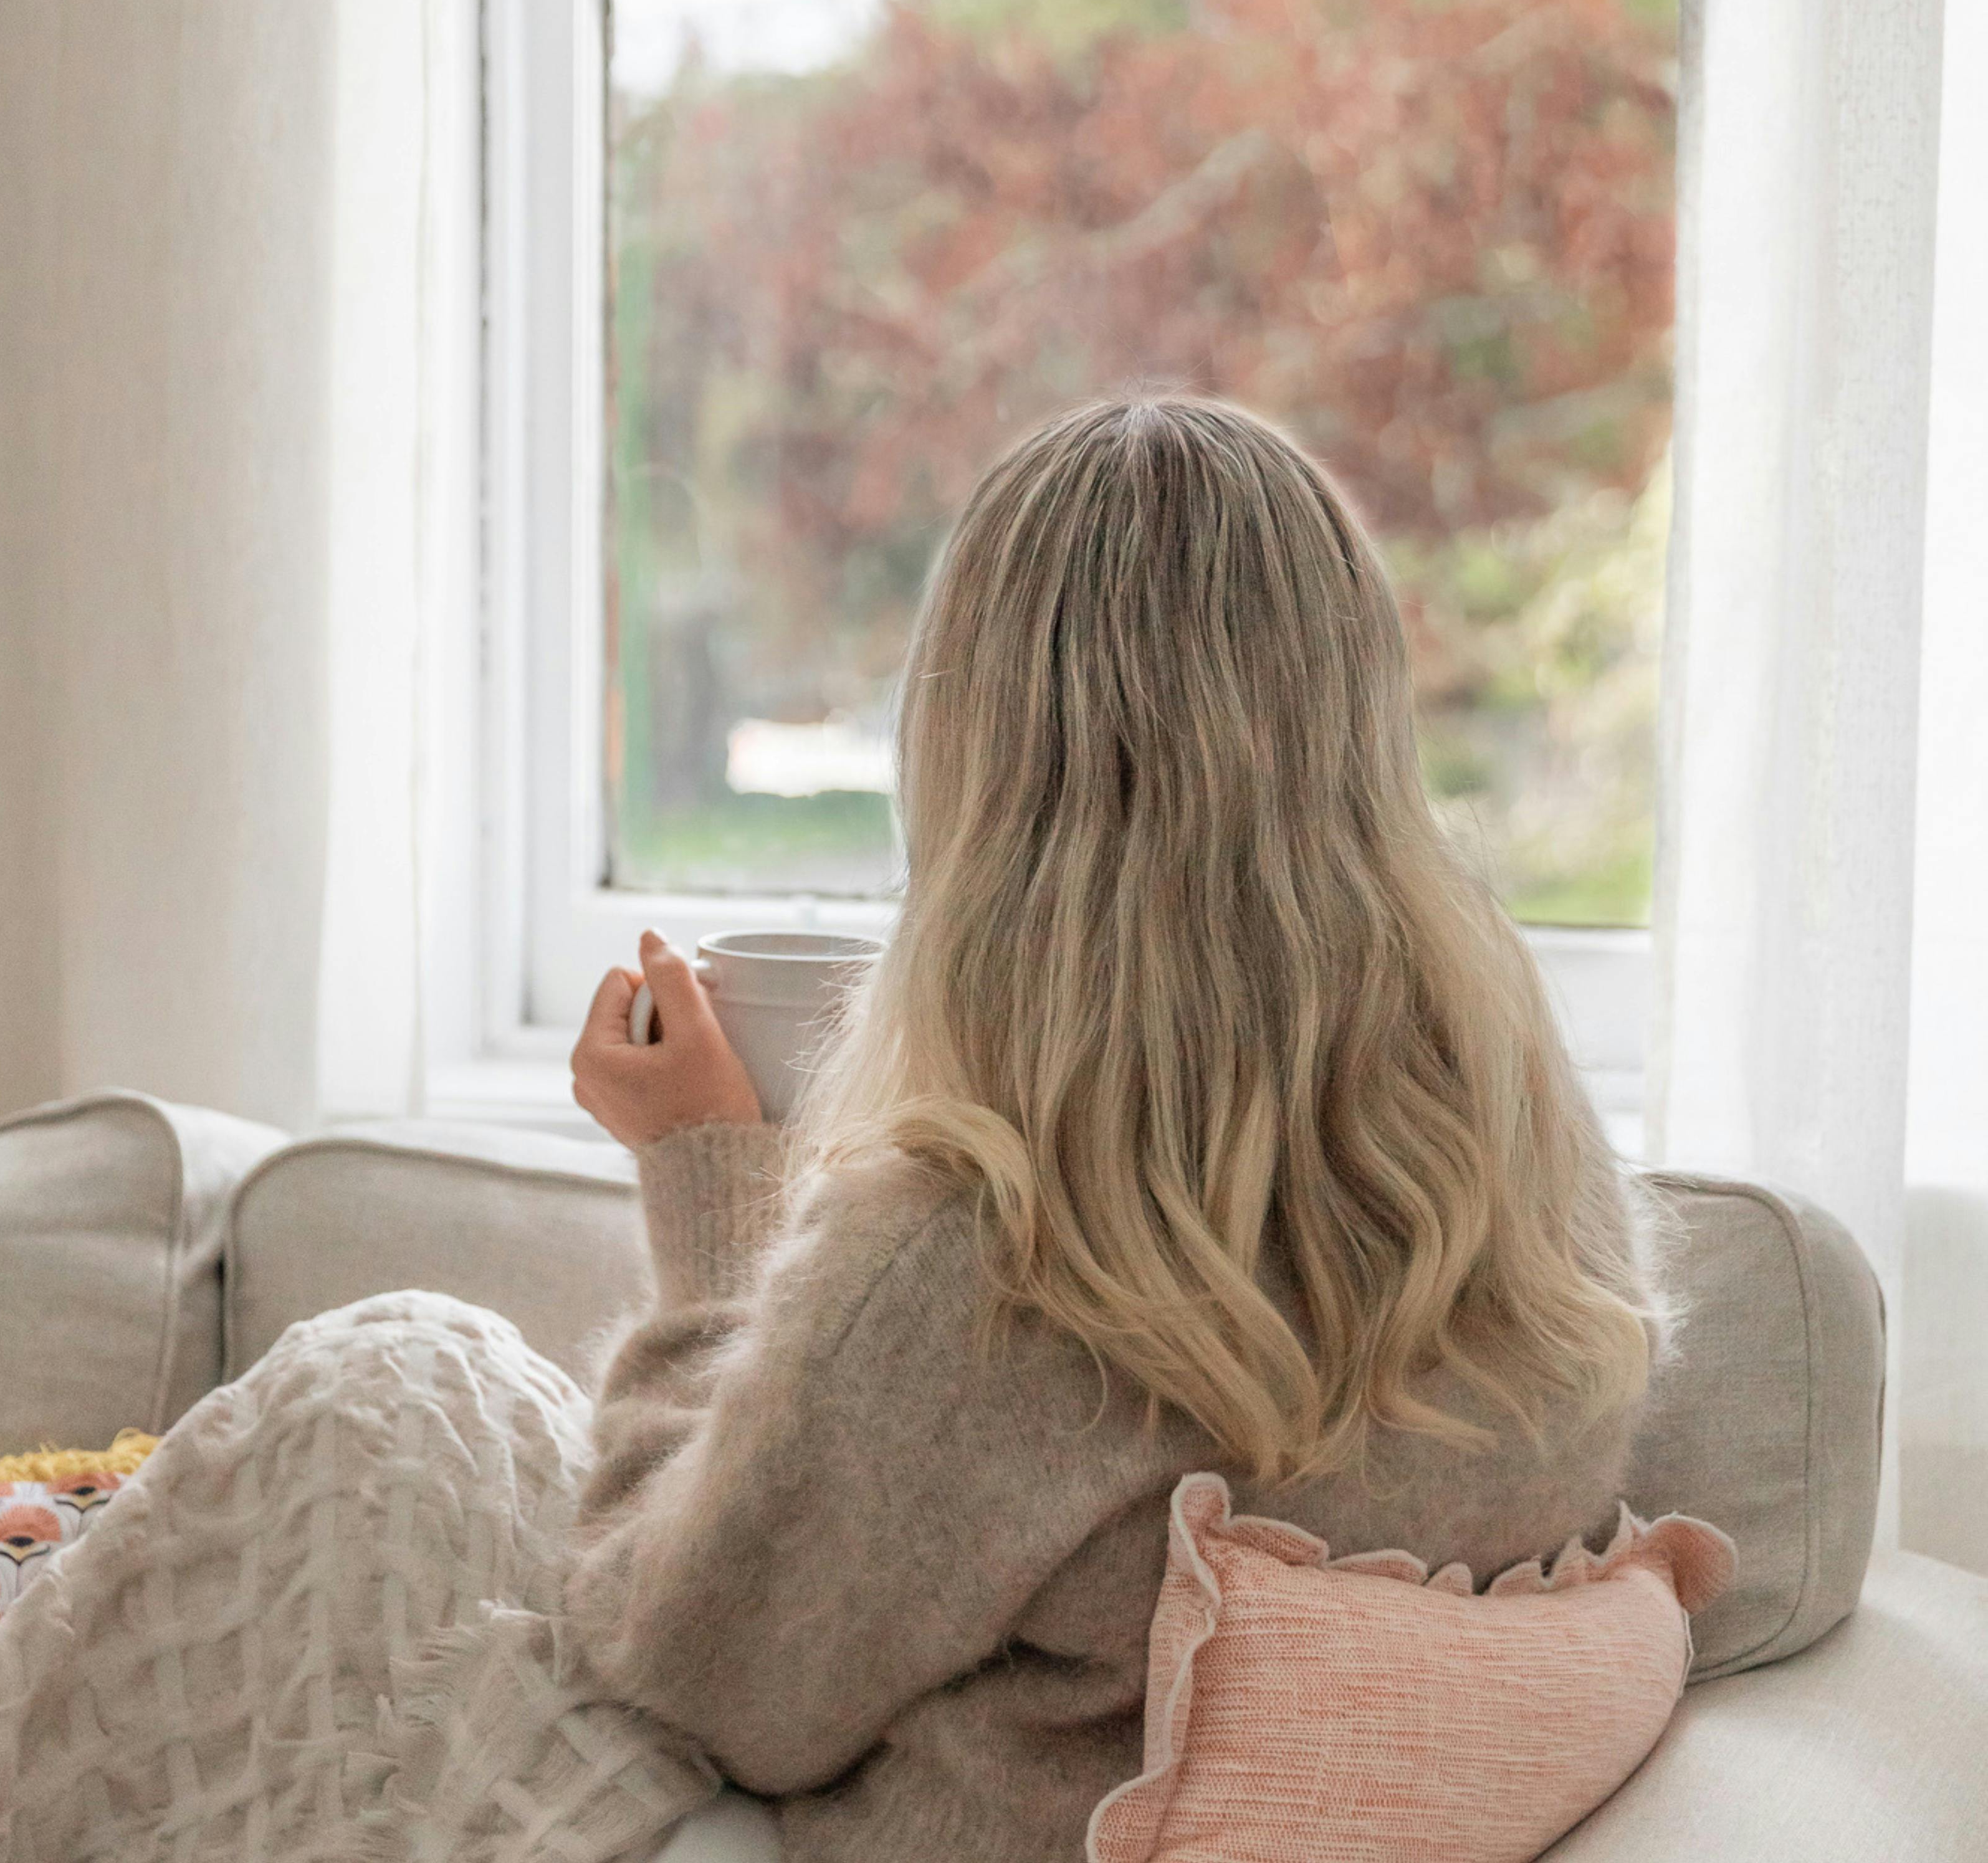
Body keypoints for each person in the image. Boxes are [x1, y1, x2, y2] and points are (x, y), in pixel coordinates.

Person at [562, 395, 1664, 1863]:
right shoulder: (1529, 1174)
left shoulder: (972, 1265)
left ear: (971, 762)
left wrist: (706, 1188)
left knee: (379, 1395)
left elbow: (693, 1670)